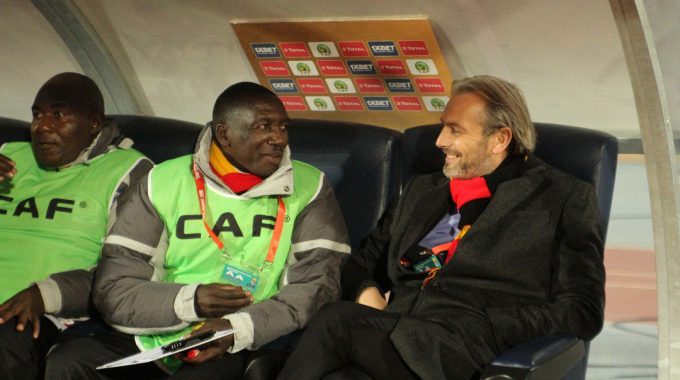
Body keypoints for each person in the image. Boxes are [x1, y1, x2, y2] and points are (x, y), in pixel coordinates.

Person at [278, 75, 606, 380]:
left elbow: (582, 311)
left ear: (500, 139)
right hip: (393, 338)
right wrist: (368, 297)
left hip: (463, 350)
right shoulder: (423, 191)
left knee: (336, 322)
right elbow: (361, 263)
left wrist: (491, 324)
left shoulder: (562, 198)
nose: (439, 141)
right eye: (442, 128)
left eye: (455, 130)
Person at [45, 82, 350, 379]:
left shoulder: (310, 187)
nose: (278, 138)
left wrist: (235, 329)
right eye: (263, 127)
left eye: (283, 127)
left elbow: (316, 287)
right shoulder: (162, 181)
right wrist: (191, 301)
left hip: (250, 335)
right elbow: (115, 288)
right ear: (224, 134)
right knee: (71, 361)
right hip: (161, 330)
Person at [0, 72, 153, 379]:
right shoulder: (8, 155)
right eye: (37, 114)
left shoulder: (130, 171)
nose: (42, 127)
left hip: (38, 309)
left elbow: (128, 271)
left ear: (94, 123)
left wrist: (45, 294)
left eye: (58, 115)